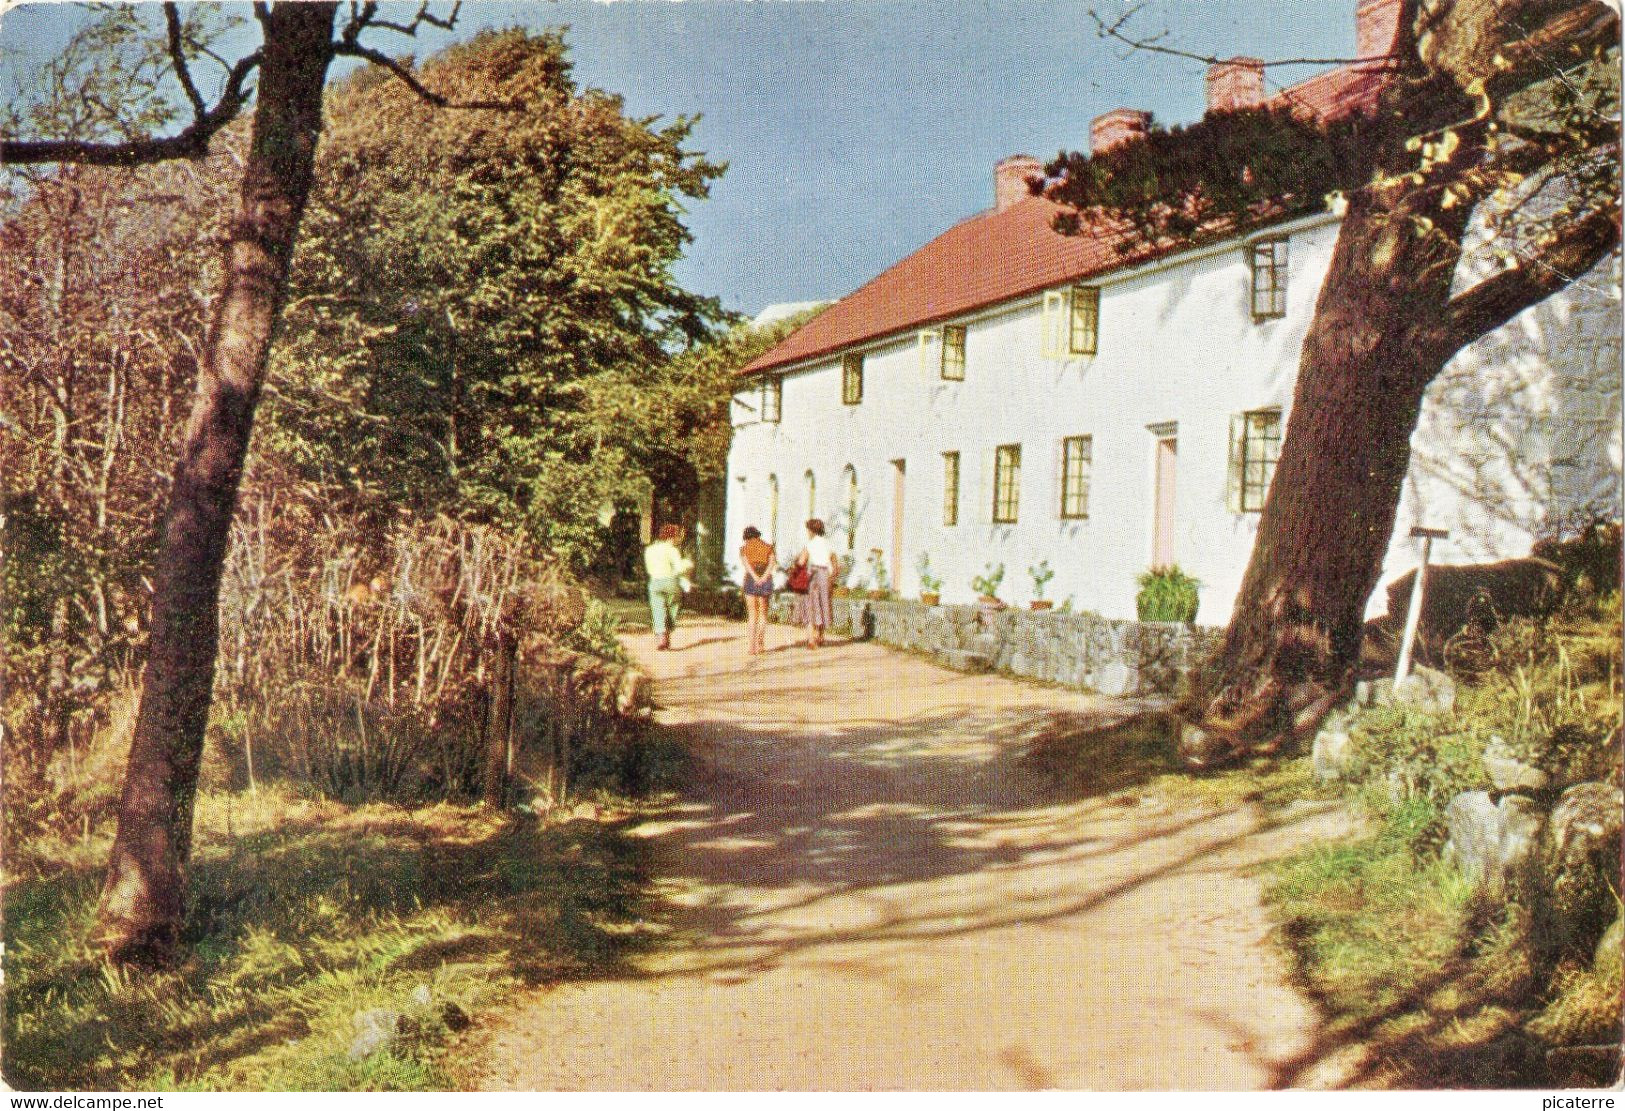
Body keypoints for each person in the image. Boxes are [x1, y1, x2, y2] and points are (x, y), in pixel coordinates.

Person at [644, 524, 693, 650]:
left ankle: (661, 637)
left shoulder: (650, 549)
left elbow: (649, 568)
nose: (678, 539)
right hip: (670, 581)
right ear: (672, 537)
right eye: (677, 536)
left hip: (654, 582)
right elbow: (679, 568)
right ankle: (667, 634)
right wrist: (688, 563)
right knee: (672, 607)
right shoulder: (671, 550)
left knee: (658, 610)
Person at [792, 518, 839, 648]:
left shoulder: (810, 544)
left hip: (812, 574)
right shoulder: (828, 543)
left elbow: (801, 562)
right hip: (826, 574)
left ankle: (812, 640)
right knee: (823, 603)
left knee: (811, 605)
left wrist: (795, 563)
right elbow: (835, 564)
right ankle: (821, 636)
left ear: (811, 531)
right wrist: (832, 578)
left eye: (808, 530)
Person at [739, 526, 776, 656]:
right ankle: (761, 642)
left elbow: (747, 566)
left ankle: (752, 645)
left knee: (752, 614)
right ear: (757, 535)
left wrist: (755, 577)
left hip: (751, 578)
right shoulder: (768, 547)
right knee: (763, 613)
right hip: (765, 578)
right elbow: (772, 563)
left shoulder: (744, 548)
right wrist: (763, 578)